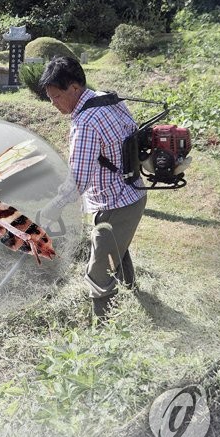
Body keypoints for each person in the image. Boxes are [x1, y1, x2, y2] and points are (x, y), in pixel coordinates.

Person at [39, 56, 147, 321]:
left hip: (115, 204)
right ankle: (133, 290)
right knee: (117, 248)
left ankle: (104, 330)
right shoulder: (108, 98)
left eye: (56, 97)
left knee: (97, 272)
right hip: (132, 193)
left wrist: (52, 208)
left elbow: (78, 180)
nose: (53, 104)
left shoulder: (85, 122)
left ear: (74, 89)